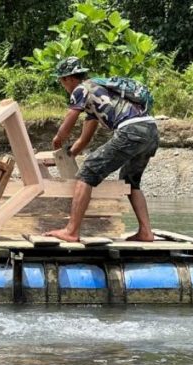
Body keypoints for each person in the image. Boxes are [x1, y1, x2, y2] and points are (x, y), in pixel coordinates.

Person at [45, 57, 159, 242]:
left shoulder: (81, 88)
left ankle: (71, 231)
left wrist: (58, 140)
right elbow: (84, 139)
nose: (62, 85)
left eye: (61, 80)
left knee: (87, 171)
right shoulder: (97, 96)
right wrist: (67, 155)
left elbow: (69, 120)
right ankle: (146, 232)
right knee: (130, 180)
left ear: (68, 78)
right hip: (151, 130)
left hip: (131, 130)